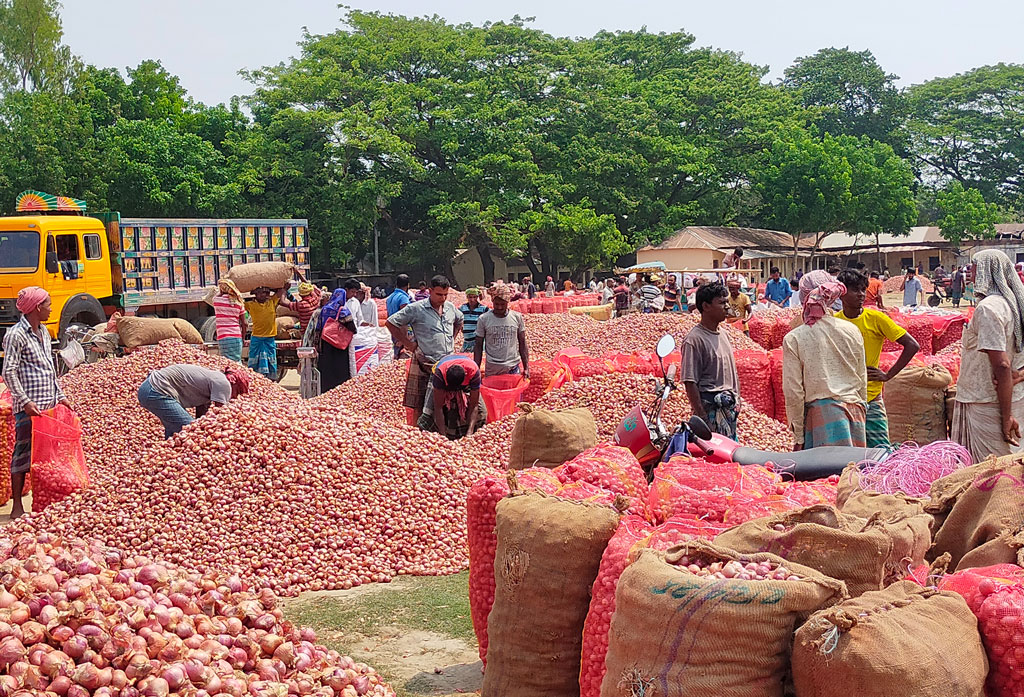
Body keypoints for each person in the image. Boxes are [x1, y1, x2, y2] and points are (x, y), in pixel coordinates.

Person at [2, 287, 73, 519]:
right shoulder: (16, 335)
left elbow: (48, 370)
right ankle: (17, 507)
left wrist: (60, 395)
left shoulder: (43, 331)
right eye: (48, 304)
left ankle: (45, 502)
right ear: (37, 308)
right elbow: (9, 371)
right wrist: (24, 401)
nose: (51, 308)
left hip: (48, 405)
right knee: (23, 452)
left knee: (45, 456)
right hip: (30, 407)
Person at [782, 271, 867, 450]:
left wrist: (798, 435)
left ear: (804, 298)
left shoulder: (795, 338)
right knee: (852, 474)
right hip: (855, 412)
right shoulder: (851, 330)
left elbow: (794, 392)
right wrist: (863, 410)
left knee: (827, 477)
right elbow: (862, 378)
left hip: (824, 416)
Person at [951, 250, 1024, 461]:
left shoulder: (989, 309)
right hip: (1013, 397)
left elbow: (1001, 365)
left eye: (973, 269)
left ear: (983, 272)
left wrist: (1005, 416)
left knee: (990, 469)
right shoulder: (1016, 305)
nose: (971, 275)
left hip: (988, 402)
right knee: (1012, 464)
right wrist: (1018, 376)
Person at [836, 269, 920, 447]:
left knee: (881, 451)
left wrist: (888, 375)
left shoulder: (875, 318)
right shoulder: (835, 322)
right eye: (855, 290)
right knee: (850, 455)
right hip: (843, 400)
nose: (861, 295)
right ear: (841, 293)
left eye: (862, 290)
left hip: (871, 398)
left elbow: (912, 345)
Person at [387, 275, 464, 421]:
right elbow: (391, 323)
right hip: (425, 361)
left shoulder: (450, 307)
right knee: (419, 403)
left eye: (445, 295)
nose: (442, 298)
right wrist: (408, 344)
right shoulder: (417, 308)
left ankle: (441, 432)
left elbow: (459, 320)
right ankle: (419, 434)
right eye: (439, 294)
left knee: (446, 402)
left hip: (447, 362)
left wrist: (452, 338)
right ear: (430, 291)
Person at [681, 282, 741, 439]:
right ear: (706, 306)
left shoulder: (724, 334)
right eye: (722, 303)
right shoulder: (694, 339)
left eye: (727, 302)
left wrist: (737, 399)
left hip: (729, 407)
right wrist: (702, 417)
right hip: (711, 411)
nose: (727, 306)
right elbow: (690, 381)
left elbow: (732, 372)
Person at [138, 365, 250, 438]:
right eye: (238, 392)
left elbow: (201, 416)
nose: (235, 397)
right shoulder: (224, 383)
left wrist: (203, 427)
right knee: (190, 431)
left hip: (149, 388)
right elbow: (220, 416)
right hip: (156, 390)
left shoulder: (212, 381)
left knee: (175, 429)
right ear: (234, 383)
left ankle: (171, 456)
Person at [417, 354, 486, 439]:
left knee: (482, 411)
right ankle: (446, 434)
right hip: (442, 379)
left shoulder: (474, 372)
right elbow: (438, 407)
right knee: (428, 414)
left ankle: (469, 433)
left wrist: (470, 432)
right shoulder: (439, 374)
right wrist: (443, 437)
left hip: (465, 380)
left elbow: (474, 405)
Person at [474, 284, 529, 378]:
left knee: (512, 392)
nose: (499, 307)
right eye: (496, 304)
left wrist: (526, 367)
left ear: (508, 302)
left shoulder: (517, 317)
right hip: (492, 368)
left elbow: (522, 343)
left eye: (502, 304)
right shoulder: (484, 319)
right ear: (492, 301)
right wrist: (476, 369)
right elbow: (478, 346)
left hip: (512, 367)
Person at [312, 289, 358, 391]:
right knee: (340, 367)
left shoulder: (324, 309)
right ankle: (340, 390)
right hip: (339, 344)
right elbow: (352, 327)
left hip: (326, 342)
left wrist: (316, 344)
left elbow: (318, 329)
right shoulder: (342, 310)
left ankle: (325, 390)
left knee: (327, 367)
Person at [245, 286, 294, 379]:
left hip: (269, 338)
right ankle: (255, 380)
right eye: (259, 293)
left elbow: (281, 291)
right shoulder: (250, 305)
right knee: (255, 361)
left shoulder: (272, 302)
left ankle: (271, 380)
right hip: (257, 338)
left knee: (271, 360)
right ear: (255, 295)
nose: (262, 295)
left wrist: (284, 287)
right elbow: (237, 301)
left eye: (264, 293)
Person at [343, 279, 378, 376]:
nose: (354, 294)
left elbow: (360, 320)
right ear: (346, 290)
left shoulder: (355, 302)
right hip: (342, 336)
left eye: (356, 292)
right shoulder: (340, 302)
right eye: (352, 292)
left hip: (354, 336)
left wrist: (368, 325)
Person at [213, 279, 246, 363]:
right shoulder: (239, 303)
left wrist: (220, 292)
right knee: (237, 361)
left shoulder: (217, 301)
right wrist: (243, 338)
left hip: (223, 337)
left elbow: (211, 296)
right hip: (236, 336)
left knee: (227, 363)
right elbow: (244, 323)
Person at [386, 274, 413, 359]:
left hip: (393, 331)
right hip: (401, 332)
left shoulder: (390, 297)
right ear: (408, 285)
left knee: (396, 357)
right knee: (403, 359)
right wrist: (403, 339)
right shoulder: (403, 298)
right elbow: (404, 319)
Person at [459, 287, 489, 352]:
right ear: (467, 297)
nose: (472, 300)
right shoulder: (462, 308)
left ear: (477, 297)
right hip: (467, 341)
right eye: (470, 297)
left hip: (478, 341)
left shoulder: (483, 309)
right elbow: (457, 319)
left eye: (474, 297)